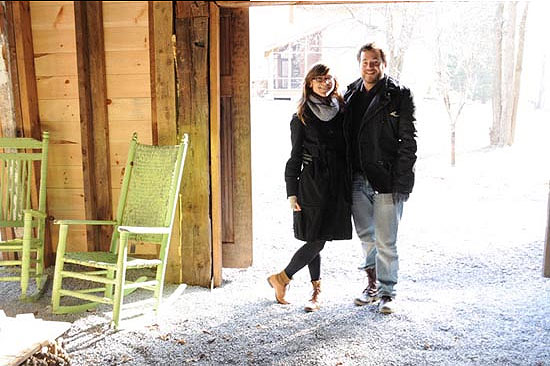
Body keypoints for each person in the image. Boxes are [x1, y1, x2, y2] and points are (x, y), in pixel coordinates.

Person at [268, 63, 352, 312]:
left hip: (337, 184)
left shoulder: (343, 111)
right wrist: (291, 192)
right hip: (313, 183)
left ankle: (314, 292)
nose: (324, 83)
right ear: (309, 83)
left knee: (318, 236)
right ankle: (283, 278)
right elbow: (294, 157)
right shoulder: (301, 117)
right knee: (317, 238)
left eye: (328, 79)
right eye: (319, 79)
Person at [343, 42, 417, 314]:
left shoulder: (399, 94)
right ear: (359, 64)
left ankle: (388, 292)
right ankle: (371, 286)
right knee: (366, 237)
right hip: (356, 179)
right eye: (365, 61)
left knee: (386, 240)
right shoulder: (349, 94)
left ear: (383, 64)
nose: (370, 66)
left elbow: (408, 141)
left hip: (386, 180)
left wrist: (402, 182)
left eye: (375, 62)